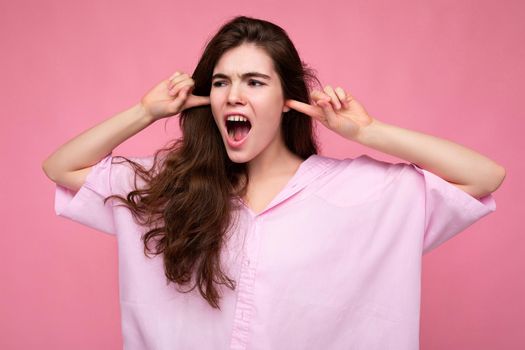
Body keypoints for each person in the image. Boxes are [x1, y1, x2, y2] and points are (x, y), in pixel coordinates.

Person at [42, 15, 505, 350]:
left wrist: (369, 132)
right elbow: (62, 169)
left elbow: (485, 177)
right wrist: (145, 112)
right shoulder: (174, 188)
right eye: (221, 82)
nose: (234, 95)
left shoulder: (360, 192)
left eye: (255, 82)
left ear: (288, 101)